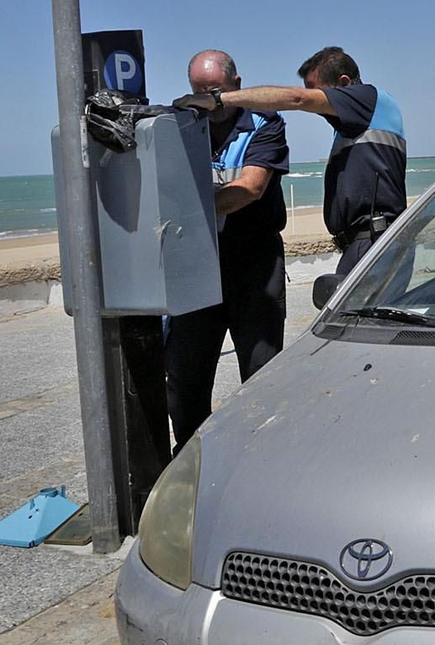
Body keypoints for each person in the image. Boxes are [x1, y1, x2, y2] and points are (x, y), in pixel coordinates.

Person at [175, 46, 406, 276]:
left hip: (375, 241)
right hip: (367, 243)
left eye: (318, 95)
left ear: (344, 84)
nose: (316, 110)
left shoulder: (367, 99)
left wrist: (217, 99)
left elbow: (297, 99)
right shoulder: (355, 125)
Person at [165, 49, 290, 448]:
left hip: (254, 264)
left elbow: (250, 188)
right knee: (185, 380)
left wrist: (186, 206)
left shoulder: (265, 125)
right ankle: (191, 466)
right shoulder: (179, 130)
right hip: (197, 264)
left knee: (260, 372)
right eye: (199, 93)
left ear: (237, 86)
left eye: (216, 92)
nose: (209, 103)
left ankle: (261, 461)